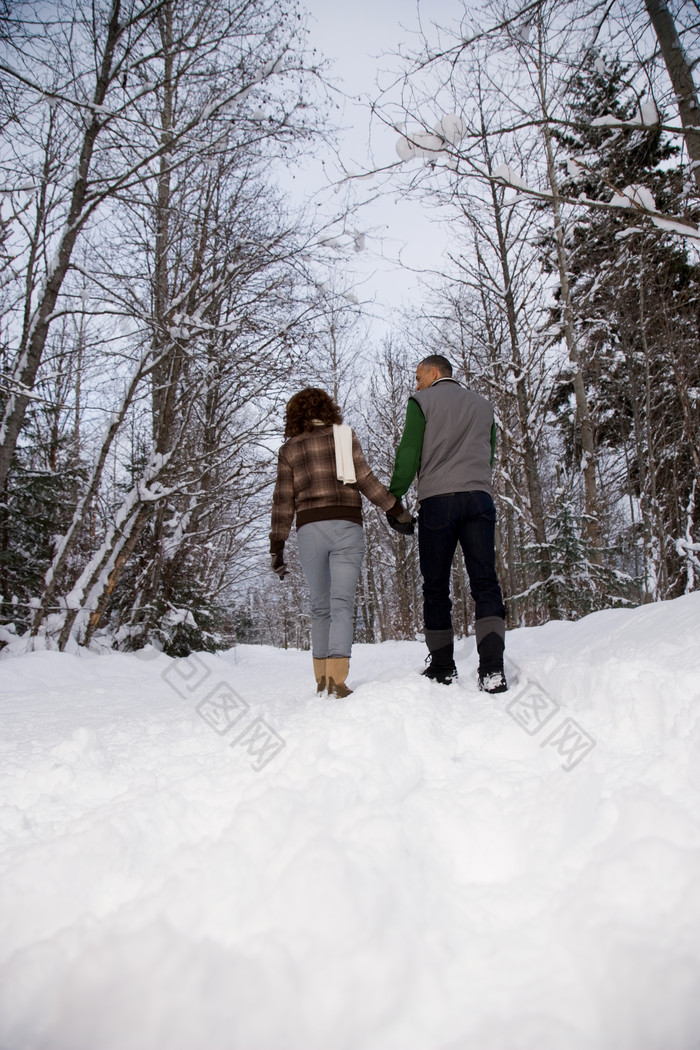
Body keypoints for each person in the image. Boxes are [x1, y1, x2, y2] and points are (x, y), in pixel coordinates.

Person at [270, 387, 412, 697]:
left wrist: (277, 546)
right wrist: (397, 510)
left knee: (320, 606)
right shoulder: (341, 436)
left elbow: (283, 501)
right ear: (328, 408)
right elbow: (363, 480)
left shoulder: (289, 449)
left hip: (310, 531)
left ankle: (322, 680)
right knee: (341, 604)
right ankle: (337, 681)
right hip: (346, 525)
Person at [388, 354, 508, 691]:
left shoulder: (421, 402)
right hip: (478, 499)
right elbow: (489, 454)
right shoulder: (483, 405)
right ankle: (492, 670)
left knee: (436, 585)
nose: (416, 384)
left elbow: (409, 452)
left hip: (438, 502)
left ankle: (443, 667)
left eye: (418, 376)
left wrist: (394, 497)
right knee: (485, 581)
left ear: (433, 373)